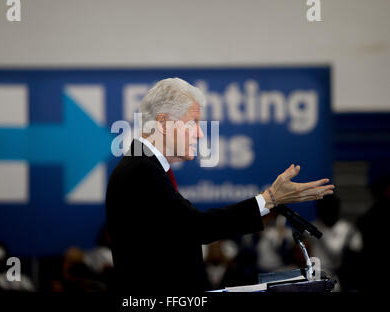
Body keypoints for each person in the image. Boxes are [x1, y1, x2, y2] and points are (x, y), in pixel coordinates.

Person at [105, 77, 334, 293]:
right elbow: (197, 228)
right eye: (193, 123)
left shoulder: (143, 166)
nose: (201, 134)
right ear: (163, 123)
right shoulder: (140, 170)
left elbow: (179, 235)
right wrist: (269, 199)